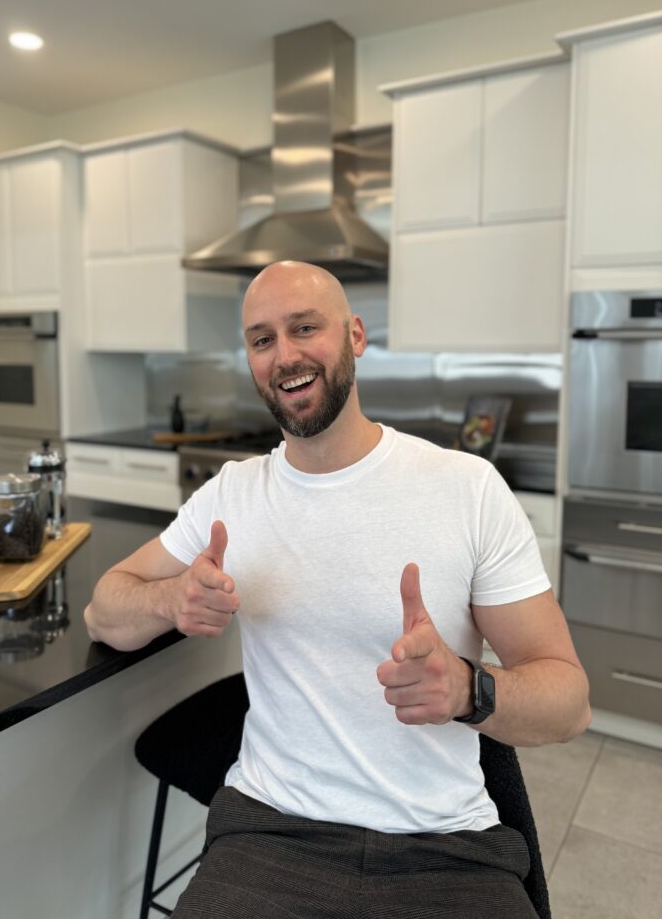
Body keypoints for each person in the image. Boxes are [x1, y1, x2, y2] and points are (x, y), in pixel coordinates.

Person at [85, 260, 590, 919]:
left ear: (355, 335)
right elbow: (103, 609)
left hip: (446, 849)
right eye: (262, 339)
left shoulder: (465, 489)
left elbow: (570, 702)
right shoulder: (234, 495)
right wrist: (168, 599)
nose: (285, 354)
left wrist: (470, 688)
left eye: (304, 328)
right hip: (267, 838)